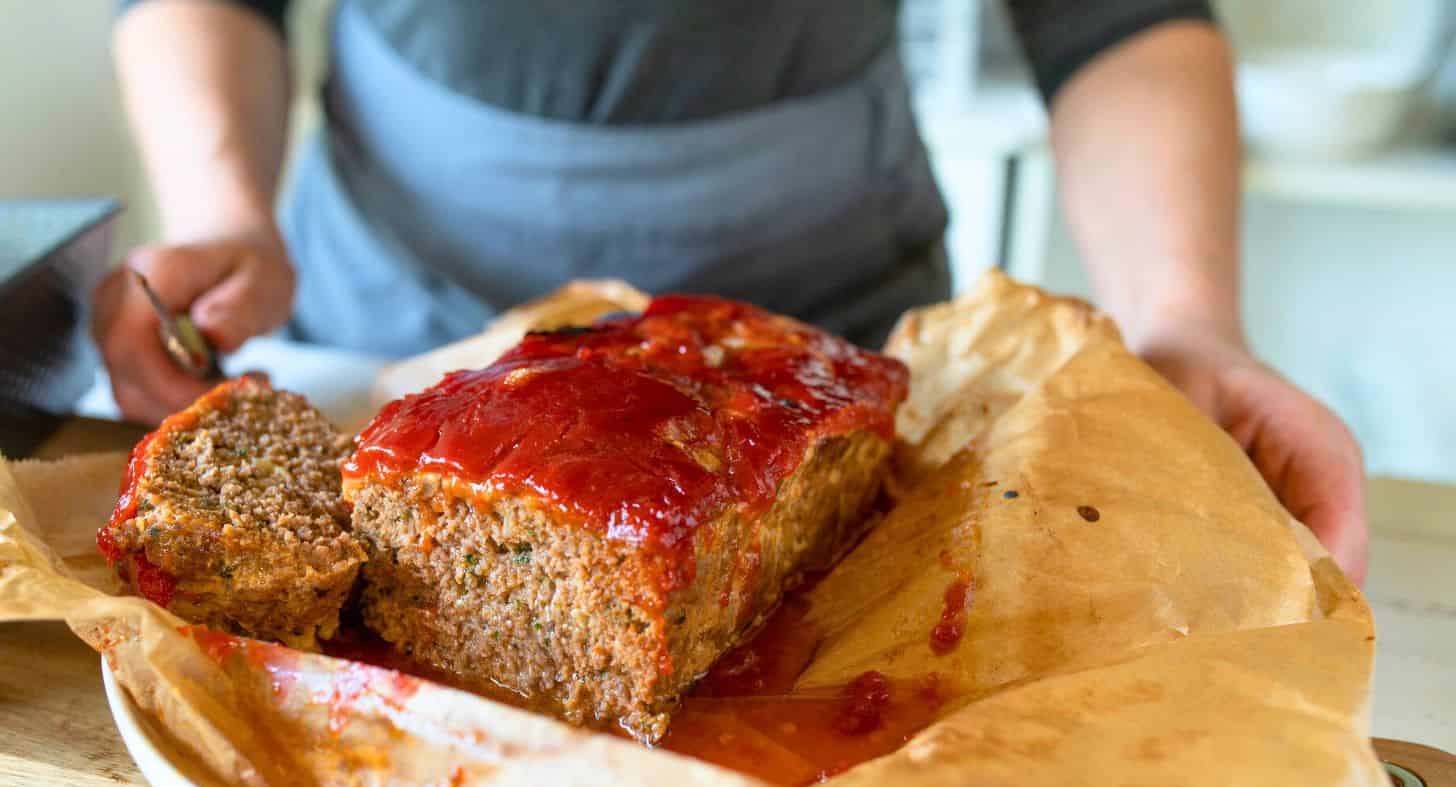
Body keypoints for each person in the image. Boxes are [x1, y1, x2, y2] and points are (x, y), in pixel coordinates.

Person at [91, 0, 1368, 583]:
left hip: (827, 331)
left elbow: (1119, 20)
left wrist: (1186, 319)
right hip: (392, 308)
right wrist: (217, 206)